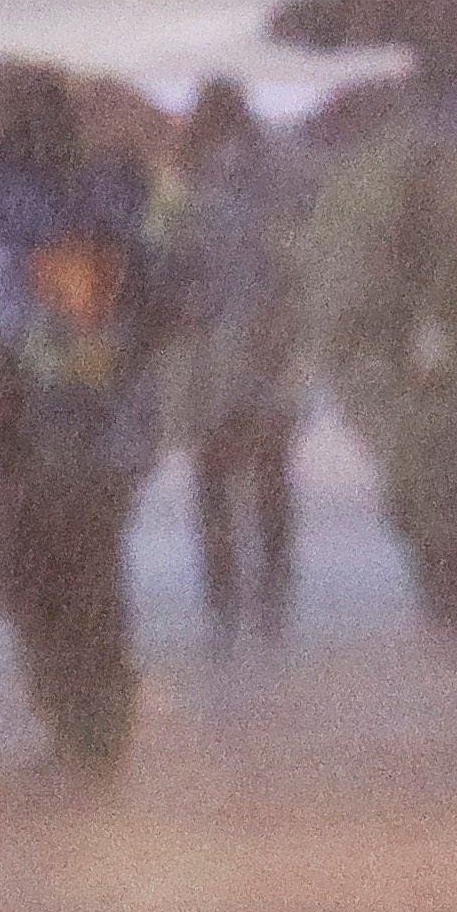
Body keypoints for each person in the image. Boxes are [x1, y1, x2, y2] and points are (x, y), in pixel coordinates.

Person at [0, 65, 175, 772]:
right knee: (95, 570)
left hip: (16, 422)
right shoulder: (118, 192)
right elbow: (163, 299)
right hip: (107, 423)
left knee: (31, 570)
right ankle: (101, 722)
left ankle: (67, 711)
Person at [169, 77, 312, 648]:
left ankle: (227, 598)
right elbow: (295, 262)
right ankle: (268, 594)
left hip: (215, 351)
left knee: (216, 475)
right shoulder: (274, 174)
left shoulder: (191, 180)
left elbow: (177, 269)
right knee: (268, 471)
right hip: (260, 345)